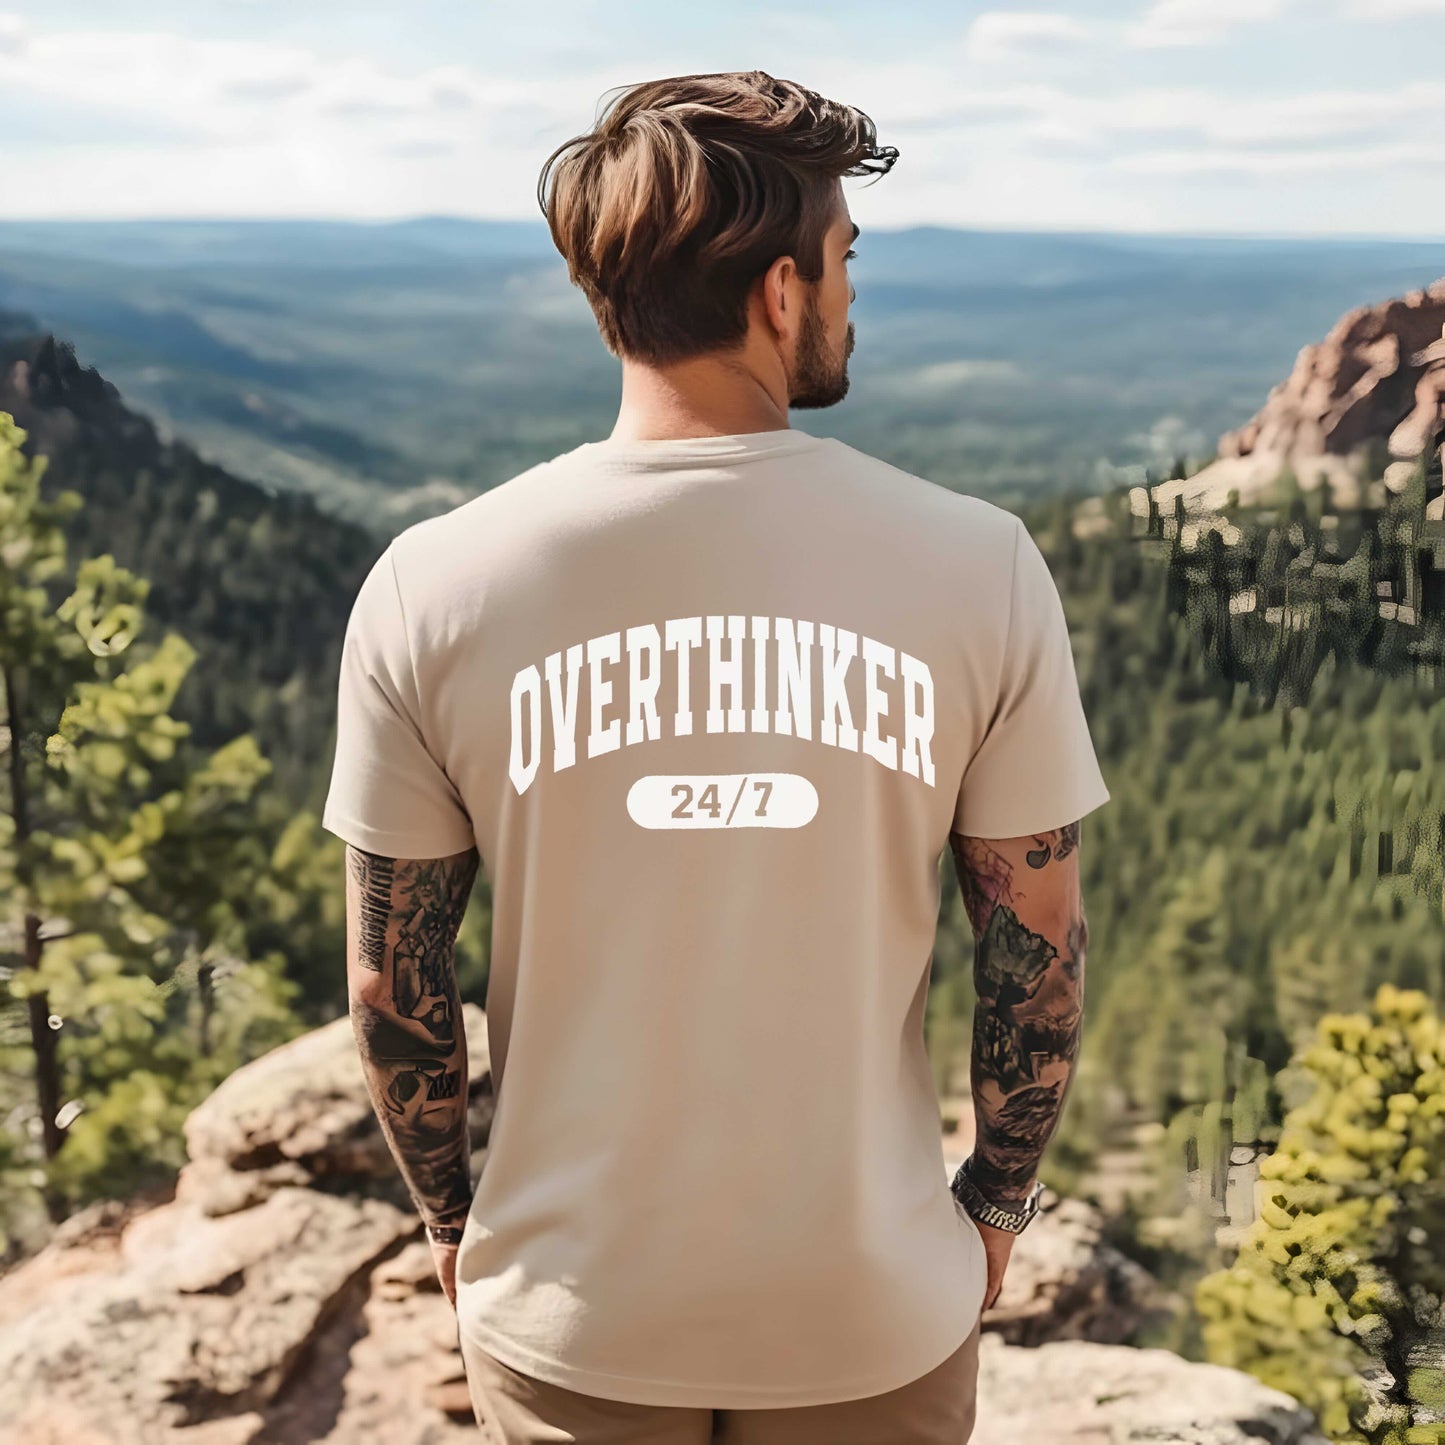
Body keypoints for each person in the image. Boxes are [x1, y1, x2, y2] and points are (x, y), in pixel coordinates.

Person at [323, 69, 1110, 1445]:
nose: (851, 292)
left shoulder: (430, 585)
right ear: (781, 292)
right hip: (865, 1313)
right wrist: (995, 1204)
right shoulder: (977, 566)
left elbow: (395, 978)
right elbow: (1034, 944)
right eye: (845, 256)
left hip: (573, 1310)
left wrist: (452, 1222)